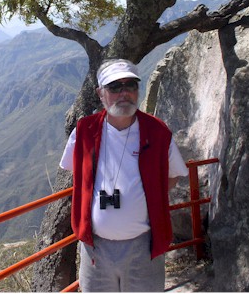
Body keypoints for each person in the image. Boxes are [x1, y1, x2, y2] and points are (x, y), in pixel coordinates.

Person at [59, 58, 189, 292]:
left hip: (144, 247)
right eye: (114, 87)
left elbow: (173, 175)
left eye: (130, 85)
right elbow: (76, 171)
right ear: (100, 93)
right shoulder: (84, 131)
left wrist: (145, 196)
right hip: (95, 249)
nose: (124, 93)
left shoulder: (157, 132)